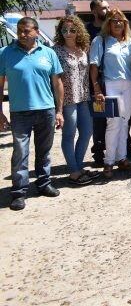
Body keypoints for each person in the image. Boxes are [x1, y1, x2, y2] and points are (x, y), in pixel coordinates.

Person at [0, 17, 64, 211]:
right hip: (20, 112)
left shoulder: (49, 53)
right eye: (19, 30)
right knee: (20, 152)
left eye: (26, 30)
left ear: (36, 31)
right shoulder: (5, 53)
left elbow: (57, 83)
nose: (22, 34)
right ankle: (19, 192)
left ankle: (43, 183)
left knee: (44, 151)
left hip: (46, 110)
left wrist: (59, 110)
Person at [89, 8, 131, 178]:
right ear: (107, 23)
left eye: (121, 20)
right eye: (114, 20)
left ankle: (122, 158)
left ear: (125, 24)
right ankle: (109, 162)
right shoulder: (100, 41)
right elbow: (93, 66)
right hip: (110, 84)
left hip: (130, 84)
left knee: (125, 122)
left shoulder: (130, 41)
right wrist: (96, 88)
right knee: (113, 123)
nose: (117, 23)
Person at [53, 15, 98, 185]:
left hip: (84, 97)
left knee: (87, 132)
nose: (68, 33)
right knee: (69, 135)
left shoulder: (83, 48)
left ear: (78, 30)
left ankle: (77, 167)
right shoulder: (56, 51)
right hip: (68, 100)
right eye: (64, 30)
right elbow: (55, 79)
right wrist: (58, 107)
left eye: (72, 30)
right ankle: (73, 171)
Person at [86, 0, 110, 166]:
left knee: (120, 115)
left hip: (115, 79)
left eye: (108, 7)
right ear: (94, 10)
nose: (107, 10)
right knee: (100, 117)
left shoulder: (112, 29)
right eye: (103, 8)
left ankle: (124, 146)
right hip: (97, 80)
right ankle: (99, 151)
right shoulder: (87, 31)